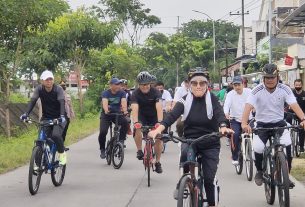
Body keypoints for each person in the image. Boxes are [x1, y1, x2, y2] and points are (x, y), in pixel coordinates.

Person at [149, 69, 233, 207]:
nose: (198, 86)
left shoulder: (212, 98)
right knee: (185, 156)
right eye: (194, 83)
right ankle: (186, 181)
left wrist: (223, 126)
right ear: (189, 85)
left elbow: (219, 114)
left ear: (207, 84)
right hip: (191, 140)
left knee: (209, 179)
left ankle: (211, 203)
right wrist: (158, 130)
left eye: (202, 83)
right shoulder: (184, 100)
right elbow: (171, 116)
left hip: (210, 142)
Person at [241, 64, 305, 187]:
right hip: (261, 125)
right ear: (263, 78)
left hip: (279, 124)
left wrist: (303, 118)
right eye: (267, 77)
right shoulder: (256, 90)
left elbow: (294, 105)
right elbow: (248, 107)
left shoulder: (285, 89)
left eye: (272, 77)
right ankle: (260, 171)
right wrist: (244, 123)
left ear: (277, 76)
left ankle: (286, 176)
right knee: (258, 148)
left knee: (288, 149)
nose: (270, 80)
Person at [20, 70, 67, 165]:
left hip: (59, 117)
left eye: (50, 79)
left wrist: (62, 116)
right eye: (46, 79)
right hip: (46, 118)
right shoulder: (39, 89)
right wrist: (26, 114)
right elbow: (33, 101)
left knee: (55, 135)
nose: (49, 81)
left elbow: (62, 101)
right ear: (42, 81)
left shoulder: (58, 89)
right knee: (40, 140)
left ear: (53, 80)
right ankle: (38, 164)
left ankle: (62, 154)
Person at [130, 71, 164, 173]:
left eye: (146, 84)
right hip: (142, 116)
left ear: (150, 83)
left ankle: (157, 162)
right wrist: (136, 122)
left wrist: (159, 122)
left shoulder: (156, 92)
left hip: (154, 117)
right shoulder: (135, 94)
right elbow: (135, 108)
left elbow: (159, 107)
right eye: (141, 85)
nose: (144, 87)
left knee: (158, 138)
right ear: (138, 84)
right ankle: (139, 150)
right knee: (137, 128)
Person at [223, 76, 252, 165]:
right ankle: (235, 157)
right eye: (235, 85)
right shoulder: (230, 94)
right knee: (234, 135)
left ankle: (252, 152)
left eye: (238, 84)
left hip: (248, 119)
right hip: (235, 119)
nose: (237, 87)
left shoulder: (249, 92)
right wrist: (226, 113)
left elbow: (255, 102)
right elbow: (226, 105)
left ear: (243, 84)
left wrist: (255, 108)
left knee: (254, 133)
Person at [98, 78, 129, 159]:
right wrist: (106, 110)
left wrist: (125, 111)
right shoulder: (105, 93)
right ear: (111, 85)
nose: (119, 86)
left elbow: (123, 102)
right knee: (103, 132)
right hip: (107, 115)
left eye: (119, 84)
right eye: (116, 84)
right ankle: (102, 149)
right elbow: (105, 103)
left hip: (117, 114)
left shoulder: (122, 92)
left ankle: (121, 141)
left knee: (125, 122)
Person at [292, 79, 305, 152]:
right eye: (296, 85)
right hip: (292, 113)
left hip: (302, 114)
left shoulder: (304, 94)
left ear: (302, 85)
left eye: (299, 85)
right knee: (286, 120)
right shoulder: (291, 94)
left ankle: (301, 146)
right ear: (294, 85)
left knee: (301, 128)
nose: (298, 86)